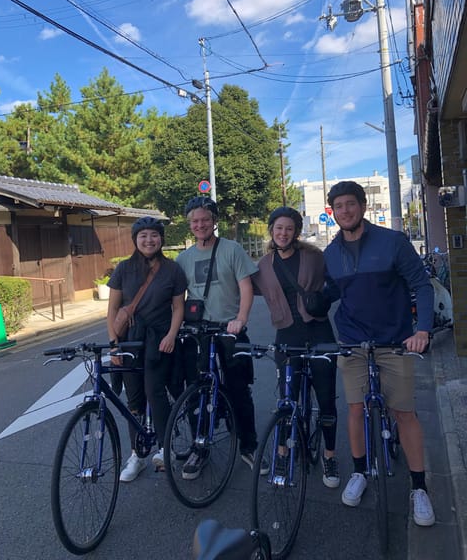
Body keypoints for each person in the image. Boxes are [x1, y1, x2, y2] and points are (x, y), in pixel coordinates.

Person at [323, 180, 435, 526]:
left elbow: (421, 285)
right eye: (338, 206)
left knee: (404, 413)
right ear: (332, 212)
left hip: (396, 341)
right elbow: (332, 291)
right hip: (353, 342)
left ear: (363, 206)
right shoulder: (331, 253)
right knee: (355, 408)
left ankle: (419, 488)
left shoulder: (393, 242)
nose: (345, 211)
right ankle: (360, 472)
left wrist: (422, 331)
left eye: (350, 204)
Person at [176, 195, 267, 478]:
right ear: (189, 224)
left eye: (205, 219)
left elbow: (246, 287)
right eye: (195, 221)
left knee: (239, 390)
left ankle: (248, 446)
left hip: (229, 328)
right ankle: (199, 448)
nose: (200, 225)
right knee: (196, 393)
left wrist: (241, 319)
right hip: (198, 332)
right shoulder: (183, 258)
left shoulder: (232, 249)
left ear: (214, 221)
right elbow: (178, 297)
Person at [252, 206, 340, 488]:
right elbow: (243, 287)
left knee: (326, 397)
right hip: (286, 335)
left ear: (297, 232)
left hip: (319, 332)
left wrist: (324, 297)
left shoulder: (313, 256)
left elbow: (336, 283)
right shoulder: (263, 265)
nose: (283, 233)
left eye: (289, 228)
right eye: (278, 228)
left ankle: (329, 454)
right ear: (271, 230)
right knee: (287, 398)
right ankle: (282, 452)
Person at [107, 216, 187, 482]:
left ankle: (165, 448)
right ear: (135, 240)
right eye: (143, 236)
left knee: (155, 392)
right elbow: (112, 310)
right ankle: (137, 453)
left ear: (161, 239)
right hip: (130, 339)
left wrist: (172, 335)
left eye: (154, 235)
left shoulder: (172, 269)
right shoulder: (123, 269)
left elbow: (178, 307)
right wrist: (114, 345)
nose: (149, 240)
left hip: (159, 339)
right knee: (134, 400)